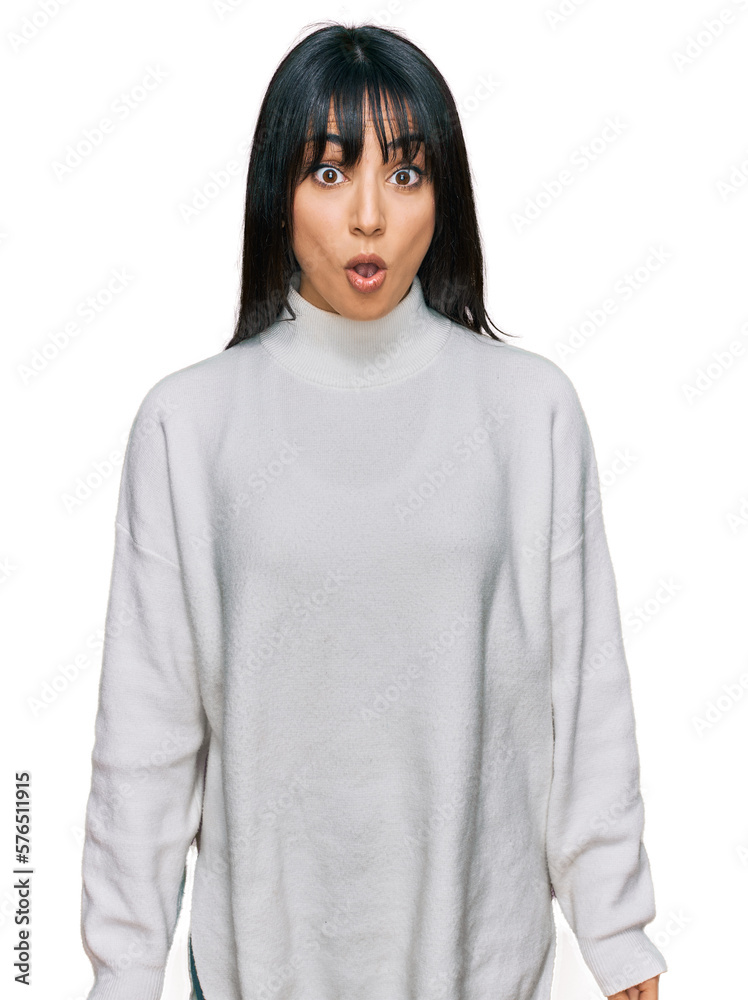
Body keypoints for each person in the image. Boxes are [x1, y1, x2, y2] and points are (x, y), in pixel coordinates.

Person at [79, 21, 668, 1000]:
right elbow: (147, 734)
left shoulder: (528, 410)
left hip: (478, 964)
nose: (367, 216)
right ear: (277, 194)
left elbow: (585, 691)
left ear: (444, 198)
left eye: (403, 174)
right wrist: (124, 970)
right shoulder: (191, 424)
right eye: (328, 171)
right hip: (262, 969)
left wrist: (617, 932)